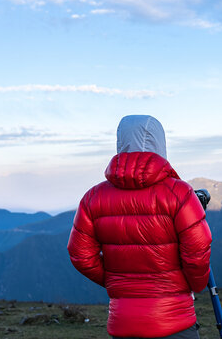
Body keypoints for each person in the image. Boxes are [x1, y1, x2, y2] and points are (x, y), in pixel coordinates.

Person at [67, 115, 212, 339]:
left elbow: (80, 255)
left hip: (123, 321)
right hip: (174, 319)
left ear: (120, 143)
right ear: (160, 143)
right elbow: (198, 251)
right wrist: (193, 285)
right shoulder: (180, 194)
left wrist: (116, 281)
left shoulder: (92, 198)